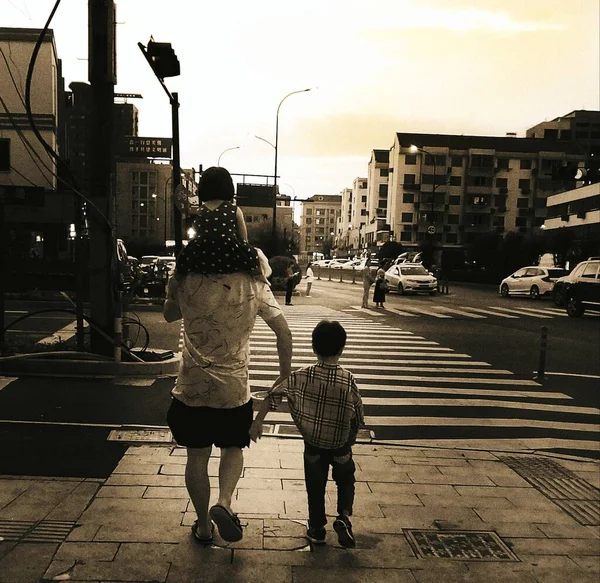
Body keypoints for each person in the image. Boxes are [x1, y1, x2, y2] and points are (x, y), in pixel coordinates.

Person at [163, 267, 292, 544]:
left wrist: (173, 291)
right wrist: (283, 375)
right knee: (232, 448)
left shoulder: (185, 275)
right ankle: (223, 501)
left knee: (197, 457)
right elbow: (284, 332)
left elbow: (170, 314)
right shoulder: (253, 281)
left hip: (192, 387)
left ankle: (204, 526)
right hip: (233, 389)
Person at [251, 320, 364, 548]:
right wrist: (352, 434)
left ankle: (316, 528)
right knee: (345, 480)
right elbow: (358, 413)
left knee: (315, 485)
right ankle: (343, 517)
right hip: (341, 445)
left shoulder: (300, 377)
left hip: (313, 444)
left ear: (314, 347)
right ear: (342, 348)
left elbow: (273, 395)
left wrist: (258, 421)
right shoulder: (347, 378)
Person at [175, 166, 265, 281]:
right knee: (255, 257)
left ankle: (175, 287)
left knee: (180, 268)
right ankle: (261, 279)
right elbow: (243, 239)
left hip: (202, 256)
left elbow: (196, 233)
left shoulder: (200, 211)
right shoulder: (234, 210)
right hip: (230, 258)